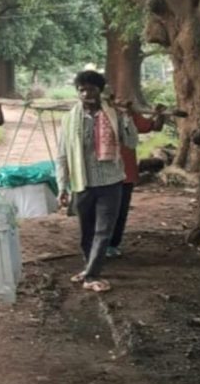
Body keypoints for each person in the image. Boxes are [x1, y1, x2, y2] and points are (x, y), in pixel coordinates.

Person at [56, 70, 135, 293]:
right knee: (86, 231)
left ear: (100, 90)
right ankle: (89, 267)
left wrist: (128, 117)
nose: (86, 93)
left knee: (103, 231)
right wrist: (62, 186)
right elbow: (62, 155)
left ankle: (92, 275)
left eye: (91, 89)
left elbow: (131, 142)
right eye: (82, 89)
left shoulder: (114, 115)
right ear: (77, 92)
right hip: (83, 183)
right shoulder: (70, 120)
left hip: (111, 182)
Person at [106, 102, 166, 258]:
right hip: (100, 174)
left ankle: (112, 245)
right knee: (101, 211)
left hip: (125, 173)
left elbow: (153, 126)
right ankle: (97, 244)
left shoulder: (129, 115)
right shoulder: (94, 115)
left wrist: (160, 114)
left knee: (120, 211)